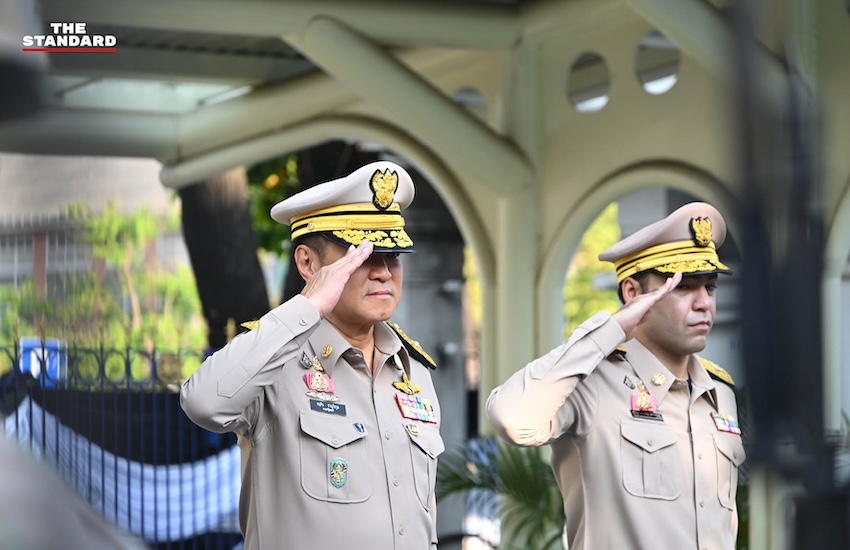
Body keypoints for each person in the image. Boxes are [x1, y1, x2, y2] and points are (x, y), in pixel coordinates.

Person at [180, 160, 444, 550]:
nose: (384, 271)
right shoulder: (275, 362)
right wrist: (306, 308)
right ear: (307, 263)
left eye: (393, 255)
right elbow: (202, 402)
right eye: (362, 255)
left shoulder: (412, 370)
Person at [487, 202, 745, 550]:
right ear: (633, 293)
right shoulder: (592, 382)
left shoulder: (719, 392)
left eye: (710, 287)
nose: (704, 303)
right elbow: (510, 418)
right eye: (684, 287)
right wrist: (611, 329)